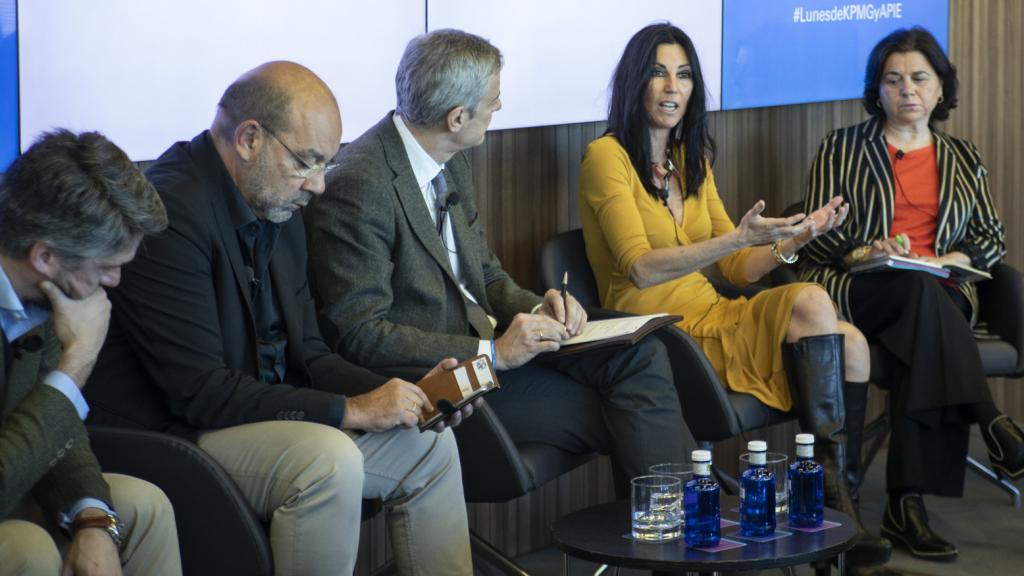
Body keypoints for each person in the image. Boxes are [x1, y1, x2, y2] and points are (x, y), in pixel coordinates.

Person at [85, 62, 473, 576]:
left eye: (326, 166)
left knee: (430, 443)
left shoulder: (277, 201)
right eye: (308, 162)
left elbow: (310, 355)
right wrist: (353, 409)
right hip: (175, 431)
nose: (318, 187)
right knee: (326, 458)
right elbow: (199, 392)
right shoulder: (169, 213)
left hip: (257, 415)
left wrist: (406, 393)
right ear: (249, 139)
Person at [307, 28, 694, 488]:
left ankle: (681, 531)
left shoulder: (449, 156)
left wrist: (537, 307)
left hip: (497, 350)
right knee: (630, 411)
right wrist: (493, 354)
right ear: (456, 117)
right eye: (493, 99)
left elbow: (485, 275)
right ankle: (687, 536)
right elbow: (362, 336)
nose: (499, 107)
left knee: (643, 355)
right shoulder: (360, 186)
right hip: (446, 380)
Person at [577, 23, 890, 567]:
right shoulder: (607, 158)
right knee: (816, 306)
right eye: (657, 73)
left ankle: (839, 503)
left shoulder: (689, 160)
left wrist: (796, 239)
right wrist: (737, 237)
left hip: (717, 315)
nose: (672, 87)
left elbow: (739, 267)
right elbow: (642, 270)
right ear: (635, 83)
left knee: (854, 344)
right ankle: (834, 511)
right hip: (662, 337)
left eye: (684, 75)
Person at [798, 26, 1024, 561]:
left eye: (920, 78)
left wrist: (949, 260)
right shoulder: (844, 147)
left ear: (941, 88)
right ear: (876, 90)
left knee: (925, 318)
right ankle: (986, 418)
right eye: (893, 80)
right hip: (865, 288)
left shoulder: (962, 156)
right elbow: (818, 232)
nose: (907, 90)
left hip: (940, 295)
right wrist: (867, 252)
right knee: (922, 299)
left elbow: (990, 236)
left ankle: (906, 506)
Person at [0, 130, 182, 575]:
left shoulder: (45, 292)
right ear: (44, 256)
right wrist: (76, 362)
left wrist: (92, 518)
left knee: (144, 507)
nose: (115, 282)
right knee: (28, 549)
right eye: (107, 267)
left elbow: (59, 432)